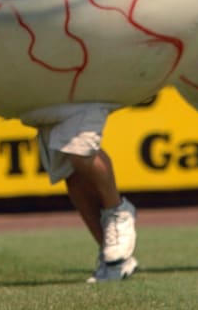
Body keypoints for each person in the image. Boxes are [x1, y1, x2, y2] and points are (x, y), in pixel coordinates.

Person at [20, 103, 138, 283]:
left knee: (81, 151)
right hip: (50, 97)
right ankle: (113, 260)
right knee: (71, 172)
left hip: (83, 93)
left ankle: (118, 210)